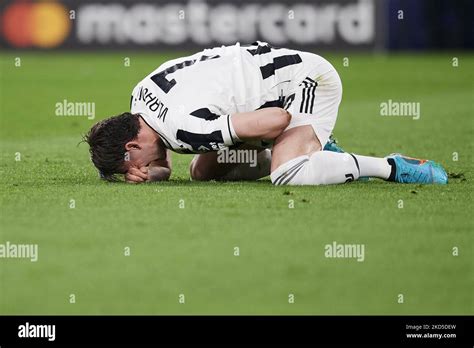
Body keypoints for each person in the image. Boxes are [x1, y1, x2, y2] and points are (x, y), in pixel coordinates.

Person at [84, 41, 447, 185]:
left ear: (131, 146)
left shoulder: (184, 127)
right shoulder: (140, 97)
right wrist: (157, 175)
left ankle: (393, 167)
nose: (140, 170)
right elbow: (172, 161)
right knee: (203, 171)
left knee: (286, 173)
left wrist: (280, 140)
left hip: (305, 82)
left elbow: (277, 120)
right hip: (271, 67)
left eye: (132, 165)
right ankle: (308, 151)